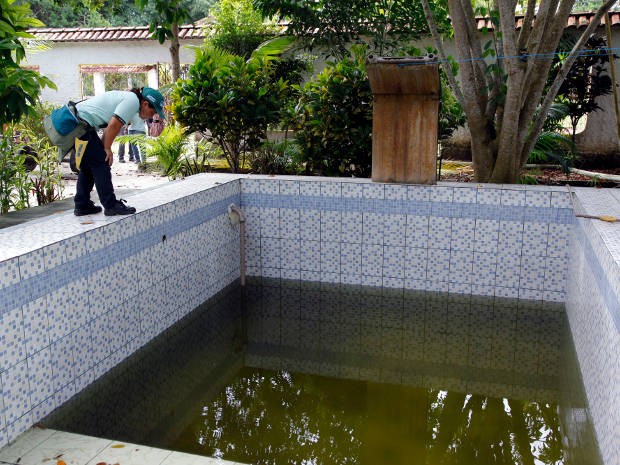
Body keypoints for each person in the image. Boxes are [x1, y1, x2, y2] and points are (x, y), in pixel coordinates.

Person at [72, 87, 165, 216]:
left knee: (90, 164)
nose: (151, 116)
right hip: (80, 122)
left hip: (78, 122)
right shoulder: (132, 101)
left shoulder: (129, 98)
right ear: (145, 104)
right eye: (153, 111)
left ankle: (82, 204)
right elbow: (114, 125)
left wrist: (104, 147)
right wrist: (106, 149)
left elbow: (111, 127)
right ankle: (110, 205)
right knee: (101, 163)